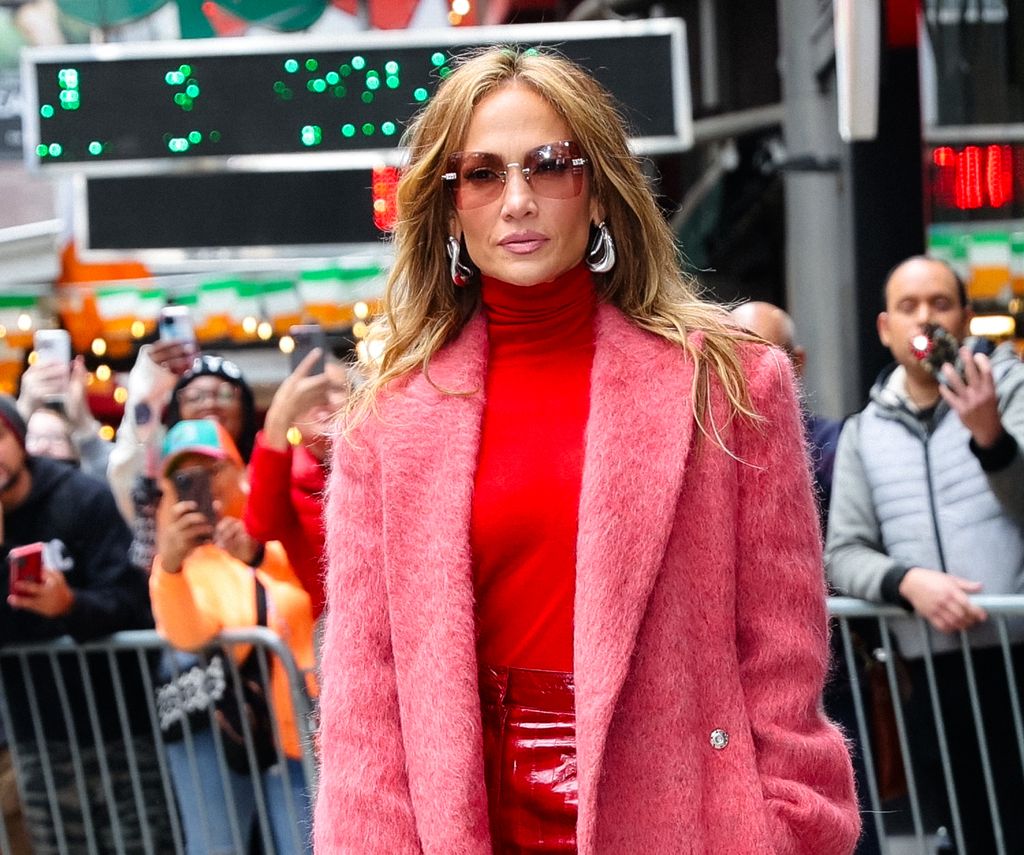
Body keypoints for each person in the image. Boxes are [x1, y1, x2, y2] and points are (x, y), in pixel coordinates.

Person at [314, 46, 860, 854]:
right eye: (484, 174)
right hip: (471, 814)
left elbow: (782, 648)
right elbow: (366, 695)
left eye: (550, 166)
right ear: (450, 204)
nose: (519, 200)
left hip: (686, 810)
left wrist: (786, 822)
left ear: (598, 192)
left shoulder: (732, 383)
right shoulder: (387, 421)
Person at [826, 255, 1024, 853]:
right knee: (967, 826)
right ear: (886, 328)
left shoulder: (1010, 389)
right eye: (909, 307)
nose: (925, 318)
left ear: (964, 318)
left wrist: (990, 436)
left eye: (940, 304)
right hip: (928, 668)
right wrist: (908, 583)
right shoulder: (864, 432)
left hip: (1015, 650)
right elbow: (843, 552)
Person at [0, 394, 174, 854]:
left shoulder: (80, 497)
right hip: (40, 736)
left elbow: (132, 601)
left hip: (120, 725)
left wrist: (68, 605)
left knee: (144, 844)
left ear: (19, 439)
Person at [151, 419, 316, 855]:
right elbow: (189, 634)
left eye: (212, 470)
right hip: (232, 731)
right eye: (183, 478)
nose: (202, 486)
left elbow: (309, 599)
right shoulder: (180, 560)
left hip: (306, 732)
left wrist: (256, 554)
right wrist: (169, 566)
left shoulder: (274, 527)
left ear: (239, 469)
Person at [108, 344, 258, 570]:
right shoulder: (155, 488)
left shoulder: (266, 474)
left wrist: (257, 556)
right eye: (194, 397)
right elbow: (127, 460)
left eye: (225, 394)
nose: (210, 404)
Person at [244, 349, 351, 621]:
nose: (323, 400)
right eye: (309, 394)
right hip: (329, 628)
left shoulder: (381, 464)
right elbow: (262, 526)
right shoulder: (283, 475)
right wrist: (278, 417)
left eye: (334, 389)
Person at [17, 356, 112, 481]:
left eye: (56, 439)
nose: (44, 446)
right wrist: (22, 411)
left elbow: (116, 473)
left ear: (75, 451)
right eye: (34, 438)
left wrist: (82, 422)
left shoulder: (89, 493)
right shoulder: (13, 494)